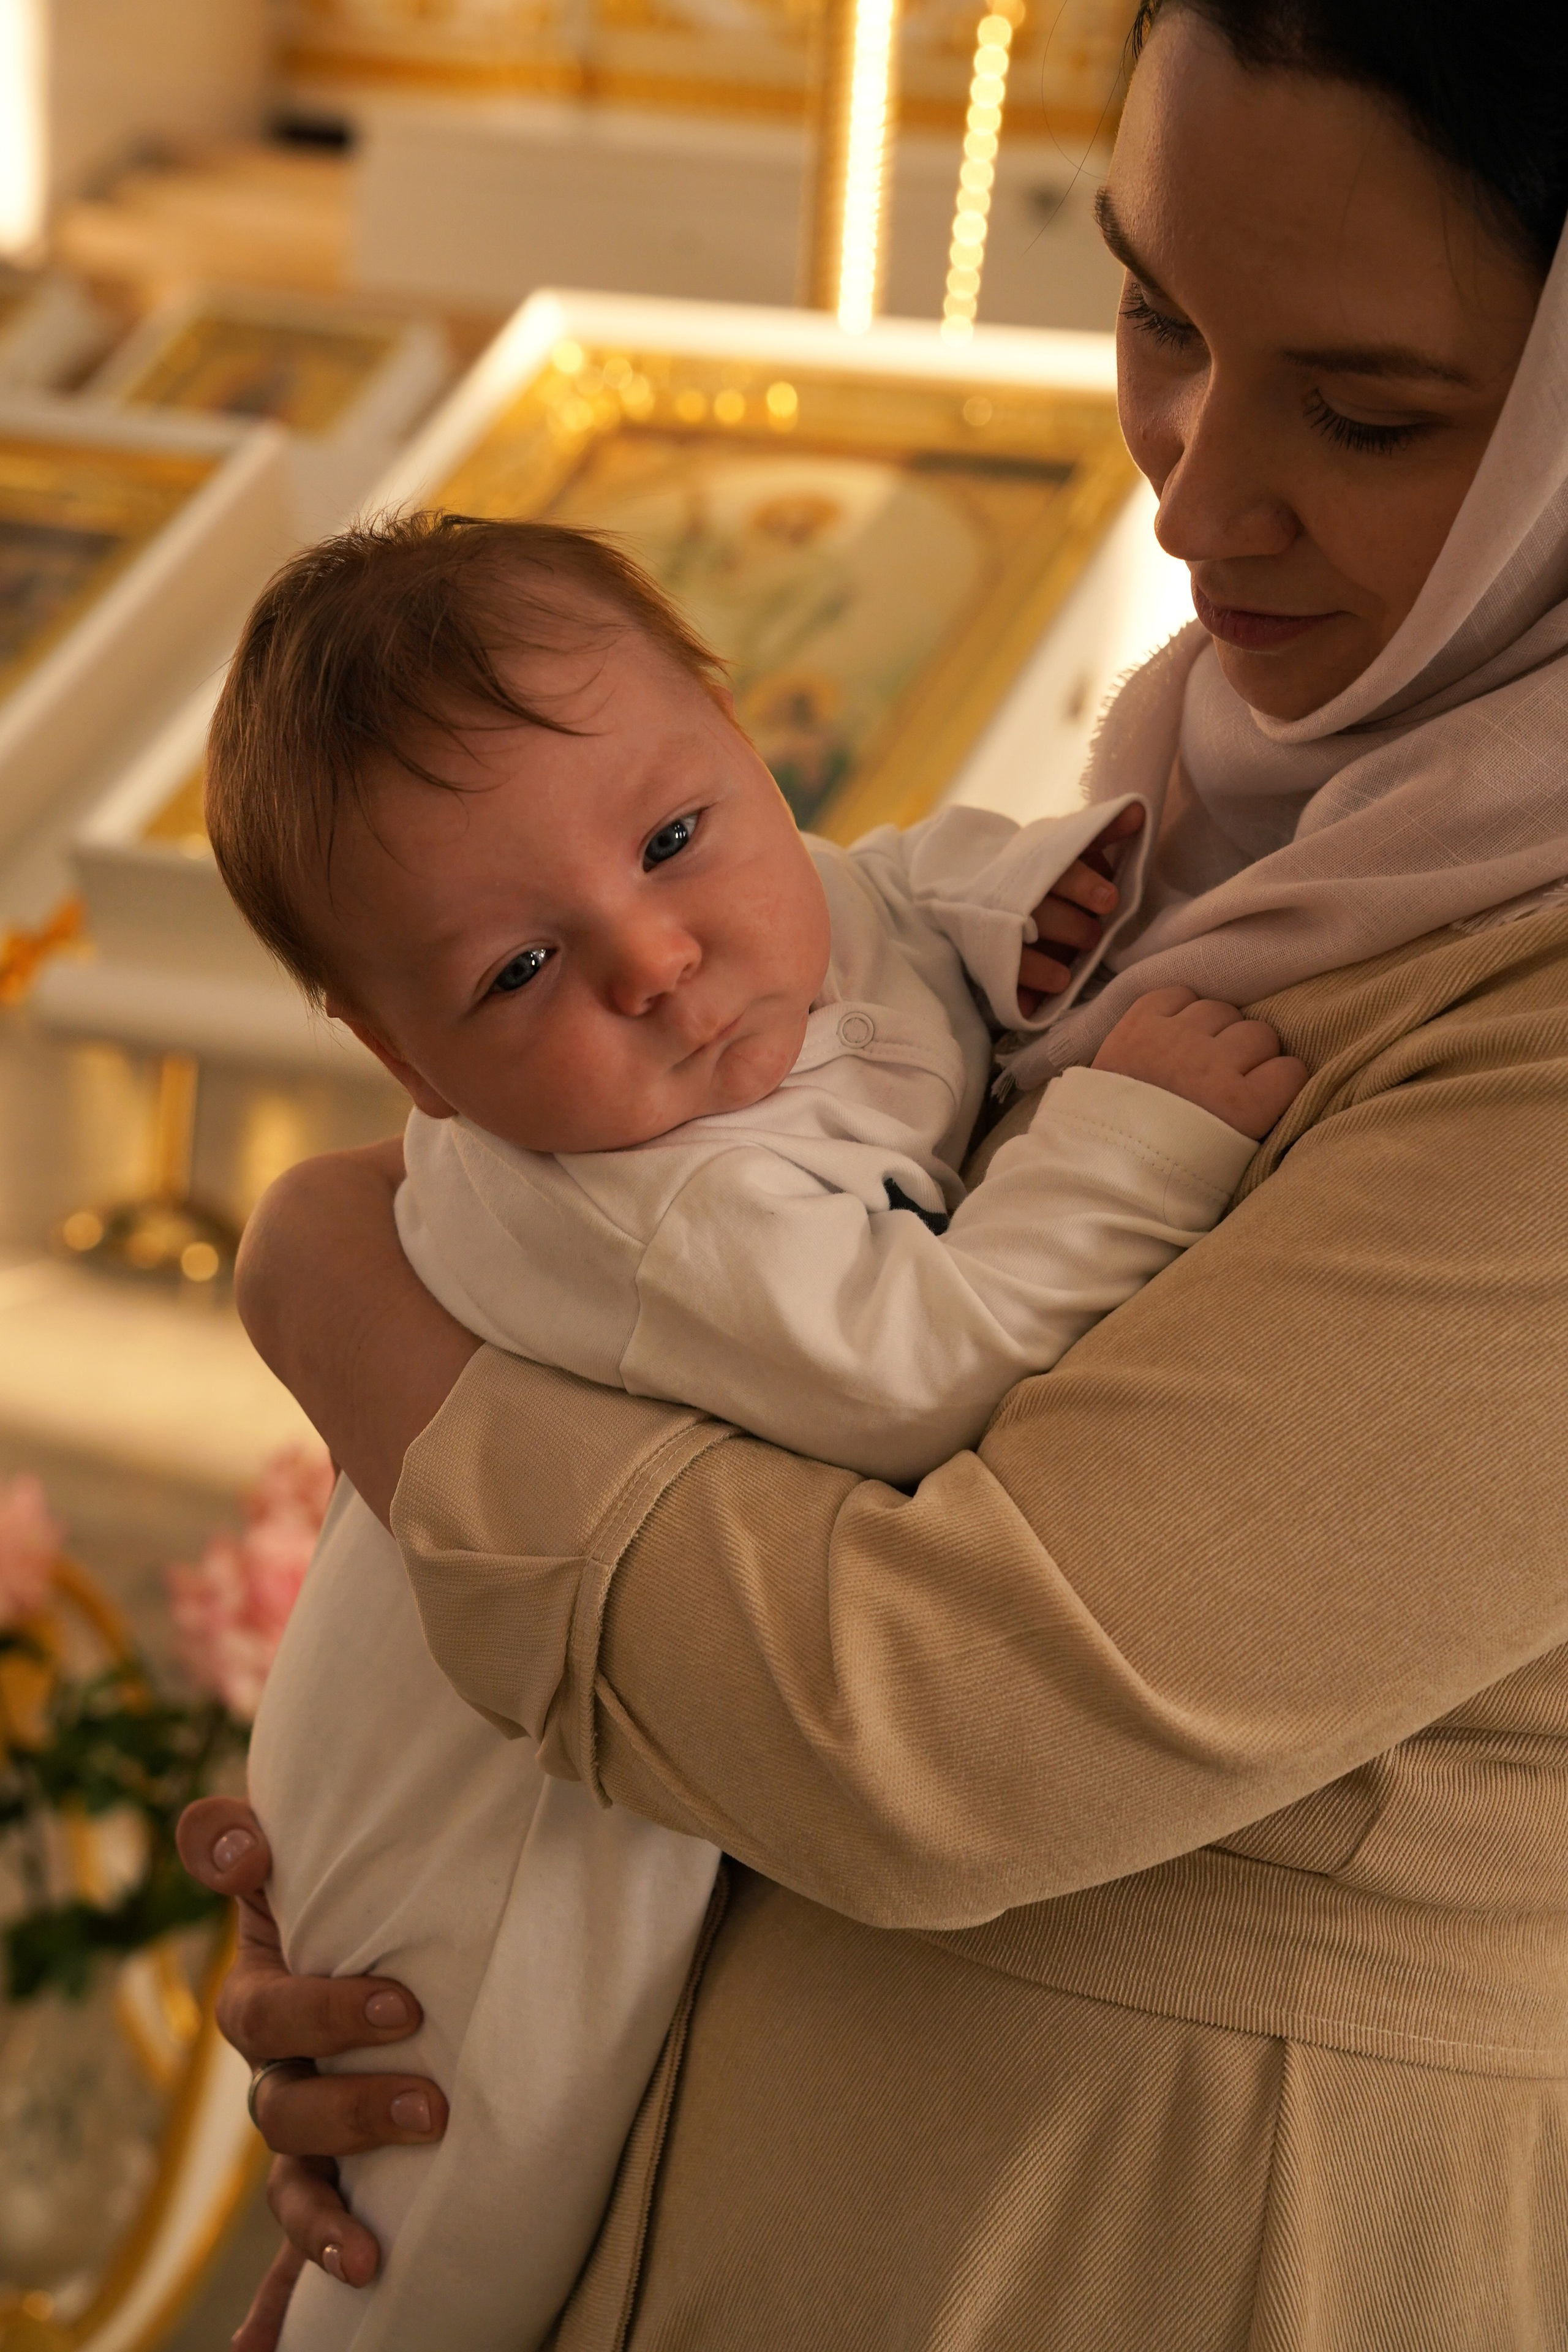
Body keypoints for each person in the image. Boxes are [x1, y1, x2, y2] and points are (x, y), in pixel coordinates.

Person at [183, 0, 1568, 2343]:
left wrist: (363, 1314)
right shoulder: (1224, 811)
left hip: (1134, 2239)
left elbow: (936, 1728)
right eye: (1157, 314)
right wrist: (433, 1891)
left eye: (1370, 412)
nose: (1192, 495)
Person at [205, 512, 1302, 2352]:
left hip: (558, 1616)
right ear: (408, 1070)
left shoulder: (781, 920)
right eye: (513, 977)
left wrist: (1025, 912)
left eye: (674, 835)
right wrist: (1131, 1130)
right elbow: (920, 1371)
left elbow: (882, 896)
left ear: (736, 736)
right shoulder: (649, 1204)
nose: (653, 959)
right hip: (484, 1783)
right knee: (474, 2159)